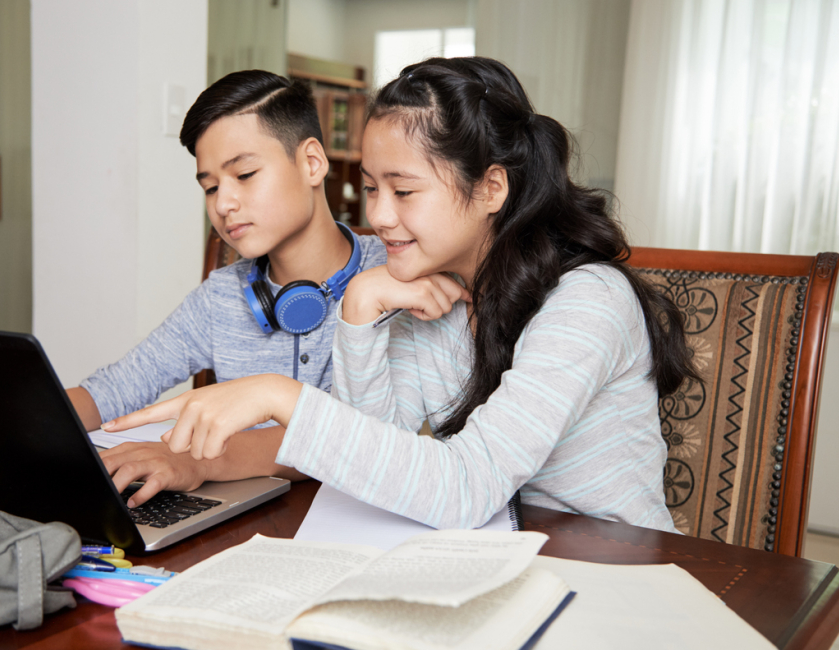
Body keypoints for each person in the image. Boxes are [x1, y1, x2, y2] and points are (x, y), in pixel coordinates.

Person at [103, 57, 698, 532]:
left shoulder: (589, 301)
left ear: (491, 186)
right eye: (368, 188)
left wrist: (279, 395)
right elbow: (373, 457)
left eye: (404, 191)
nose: (380, 217)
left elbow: (466, 487)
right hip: (499, 558)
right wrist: (358, 309)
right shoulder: (425, 295)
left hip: (611, 570)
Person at [67, 70, 387, 507]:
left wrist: (199, 462)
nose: (222, 204)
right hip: (256, 518)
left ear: (312, 163)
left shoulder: (394, 271)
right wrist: (25, 421)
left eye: (246, 174)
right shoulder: (222, 296)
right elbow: (114, 389)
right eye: (211, 187)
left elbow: (362, 432)